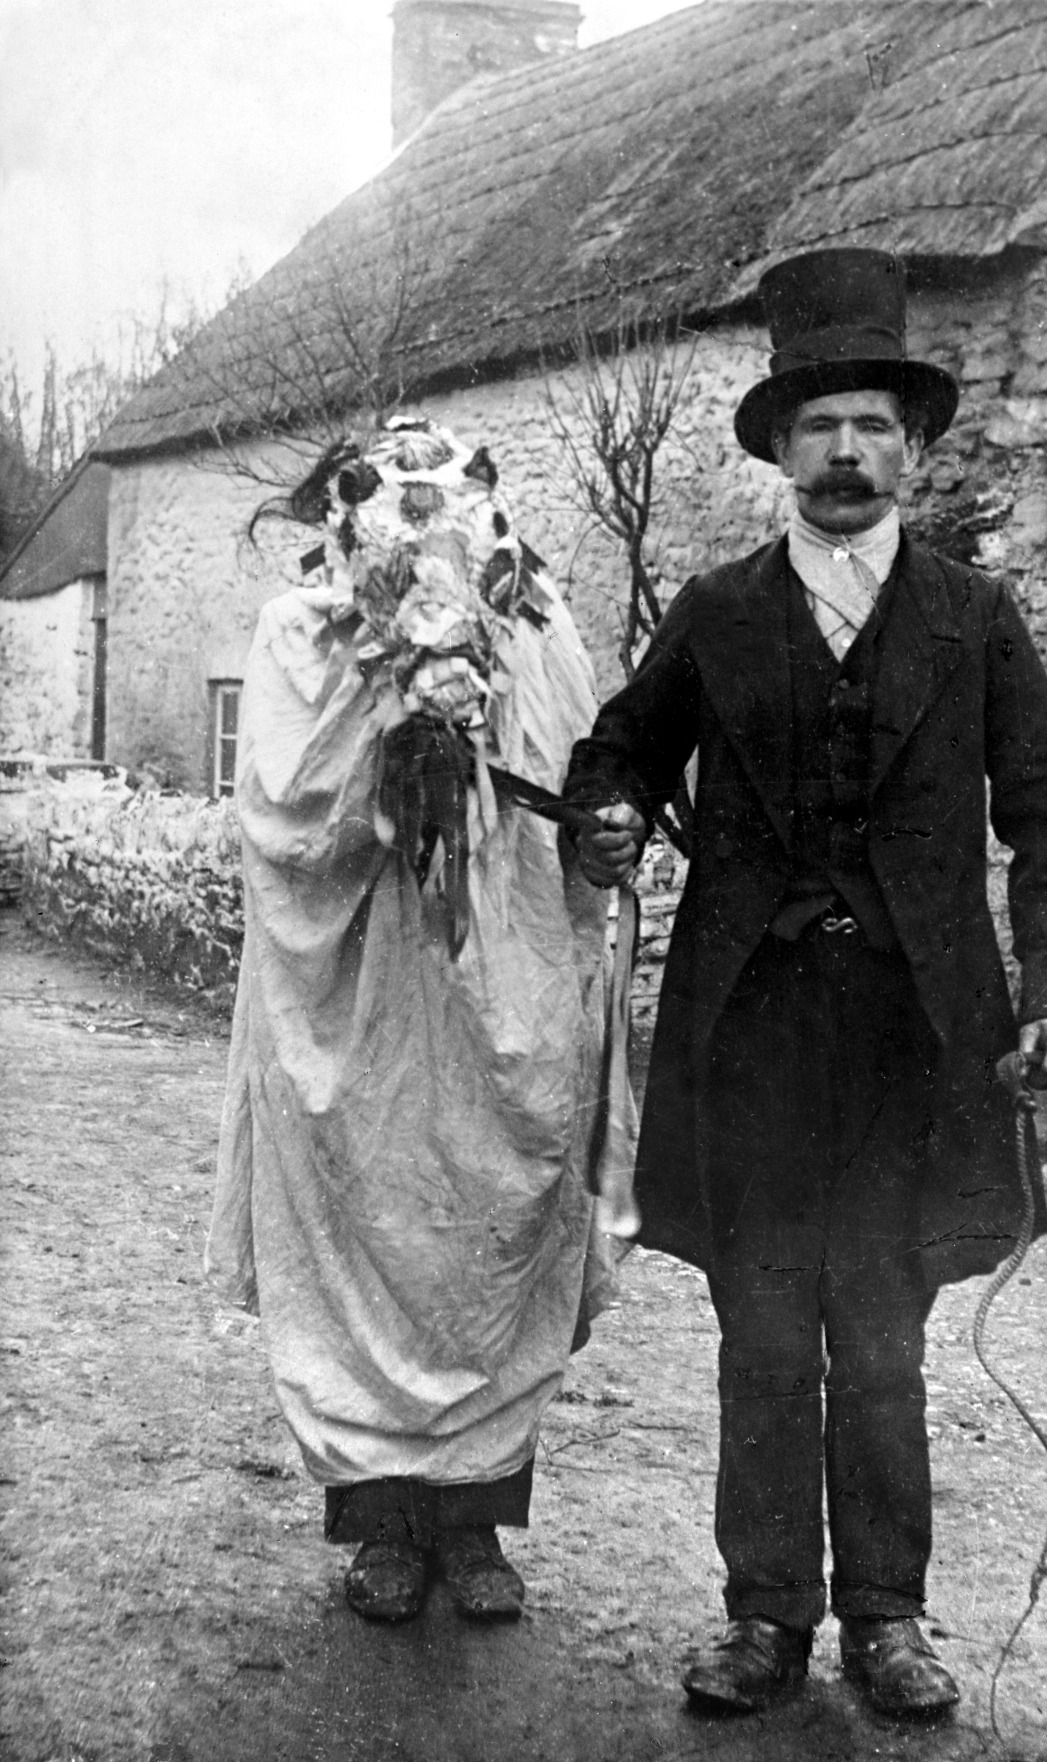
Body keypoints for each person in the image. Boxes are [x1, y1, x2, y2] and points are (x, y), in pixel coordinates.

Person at [564, 248, 1047, 1719]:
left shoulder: (975, 620)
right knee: (761, 1337)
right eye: (821, 428)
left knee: (878, 1334)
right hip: (749, 1038)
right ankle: (763, 1618)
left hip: (917, 1044)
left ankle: (886, 1615)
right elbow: (615, 752)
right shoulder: (719, 612)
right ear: (781, 452)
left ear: (914, 450)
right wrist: (606, 815)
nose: (848, 452)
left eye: (874, 425)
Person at [206, 417, 630, 1631]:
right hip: (363, 979)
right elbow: (279, 810)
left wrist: (569, 810)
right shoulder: (302, 626)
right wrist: (392, 746)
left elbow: (580, 765)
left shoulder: (536, 618)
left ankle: (479, 1521)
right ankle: (380, 1523)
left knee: (488, 1218)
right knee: (371, 1203)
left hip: (502, 962)